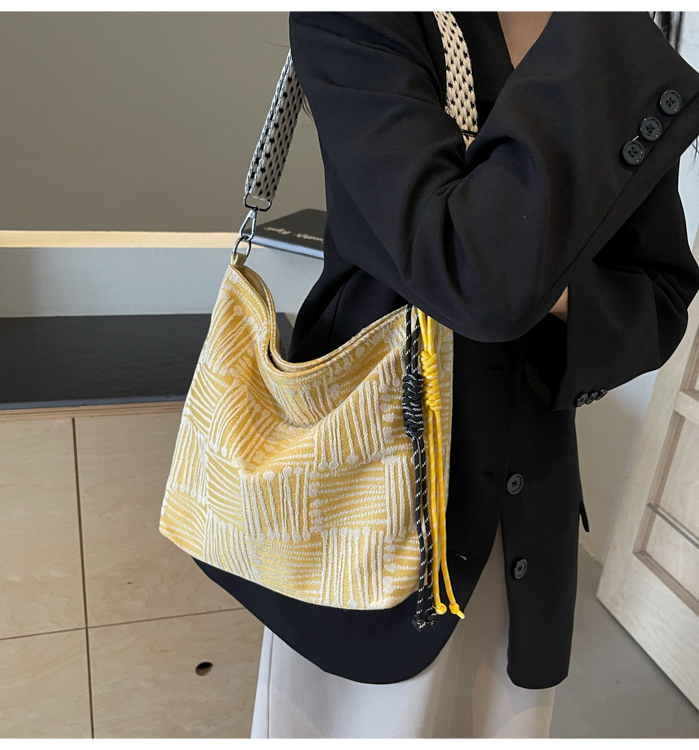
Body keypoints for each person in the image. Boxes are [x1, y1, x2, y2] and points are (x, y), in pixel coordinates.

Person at [194, 11, 699, 738]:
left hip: (525, 520)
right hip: (361, 514)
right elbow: (478, 274)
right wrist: (539, 280)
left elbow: (661, 297)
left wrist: (533, 282)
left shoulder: (608, 38)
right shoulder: (367, 19)